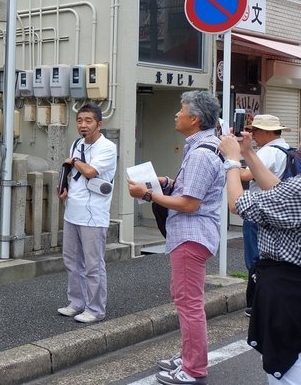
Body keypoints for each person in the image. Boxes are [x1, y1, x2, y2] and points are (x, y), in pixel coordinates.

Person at [127, 90, 225, 385]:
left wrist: (148, 194)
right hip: (193, 235)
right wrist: (167, 182)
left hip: (191, 236)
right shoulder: (204, 146)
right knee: (186, 299)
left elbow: (189, 204)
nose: (176, 114)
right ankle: (189, 357)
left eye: (180, 110)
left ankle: (194, 368)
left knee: (189, 303)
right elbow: (189, 191)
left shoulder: (201, 154)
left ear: (194, 119)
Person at [219, 130, 301, 385]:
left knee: (286, 365)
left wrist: (232, 161)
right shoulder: (294, 189)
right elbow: (280, 190)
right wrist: (248, 153)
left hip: (288, 288)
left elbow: (239, 204)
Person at [56, 102, 117, 324]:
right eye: (80, 120)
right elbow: (74, 173)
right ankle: (77, 303)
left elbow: (91, 172)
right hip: (72, 210)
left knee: (93, 264)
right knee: (71, 261)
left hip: (94, 214)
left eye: (88, 121)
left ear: (99, 124)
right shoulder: (76, 143)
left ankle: (96, 309)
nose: (83, 125)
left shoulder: (108, 147)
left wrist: (73, 160)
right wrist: (64, 188)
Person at [235, 114, 289, 316]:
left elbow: (247, 175)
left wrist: (232, 162)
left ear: (267, 132)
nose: (252, 134)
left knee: (255, 260)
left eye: (255, 131)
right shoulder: (286, 149)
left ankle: (257, 304)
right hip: (280, 212)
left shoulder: (268, 152)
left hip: (260, 211)